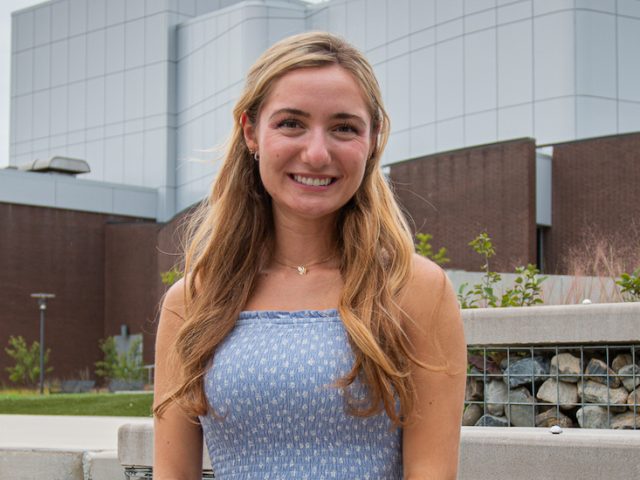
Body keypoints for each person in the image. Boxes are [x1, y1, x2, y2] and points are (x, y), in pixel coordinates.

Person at [153, 31, 467, 479]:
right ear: (250, 131)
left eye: (344, 128)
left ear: (373, 139)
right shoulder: (192, 303)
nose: (317, 153)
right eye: (291, 123)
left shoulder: (415, 291)